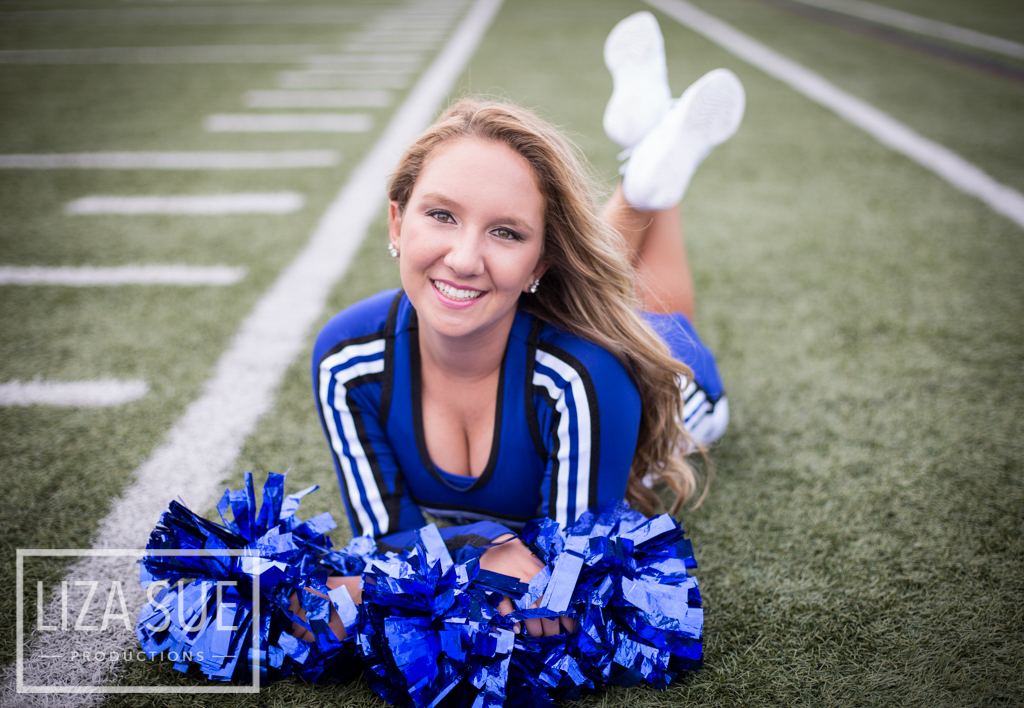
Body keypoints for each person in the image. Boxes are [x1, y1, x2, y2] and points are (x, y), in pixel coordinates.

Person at [300, 10, 744, 643]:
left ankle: (645, 178)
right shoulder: (346, 357)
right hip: (532, 320)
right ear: (397, 224)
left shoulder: (584, 378)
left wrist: (468, 558)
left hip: (675, 393)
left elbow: (562, 589)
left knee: (662, 328)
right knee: (516, 286)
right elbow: (385, 545)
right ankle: (645, 163)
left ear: (542, 262)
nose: (462, 257)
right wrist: (487, 551)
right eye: (441, 215)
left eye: (505, 232)